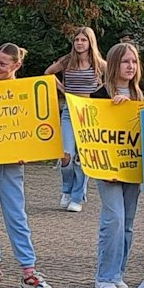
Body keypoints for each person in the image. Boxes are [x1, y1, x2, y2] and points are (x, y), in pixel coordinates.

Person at [0, 44, 53, 288]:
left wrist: (30, 152)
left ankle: (28, 270)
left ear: (16, 66)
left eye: (2, 64)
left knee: (16, 213)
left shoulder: (23, 91)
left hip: (12, 162)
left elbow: (33, 126)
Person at [91, 42, 144, 288]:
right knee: (113, 218)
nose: (130, 66)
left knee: (127, 222)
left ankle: (118, 272)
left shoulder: (140, 97)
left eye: (134, 62)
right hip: (108, 168)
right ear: (114, 64)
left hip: (131, 167)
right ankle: (104, 274)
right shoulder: (99, 95)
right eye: (126, 61)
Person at [49, 26, 105, 212]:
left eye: (84, 40)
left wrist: (99, 92)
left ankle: (77, 196)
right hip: (69, 110)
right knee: (66, 154)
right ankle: (66, 189)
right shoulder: (67, 61)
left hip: (89, 113)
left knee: (83, 157)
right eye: (77, 40)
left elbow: (113, 76)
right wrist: (62, 89)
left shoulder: (97, 62)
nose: (80, 43)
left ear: (90, 42)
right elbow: (48, 73)